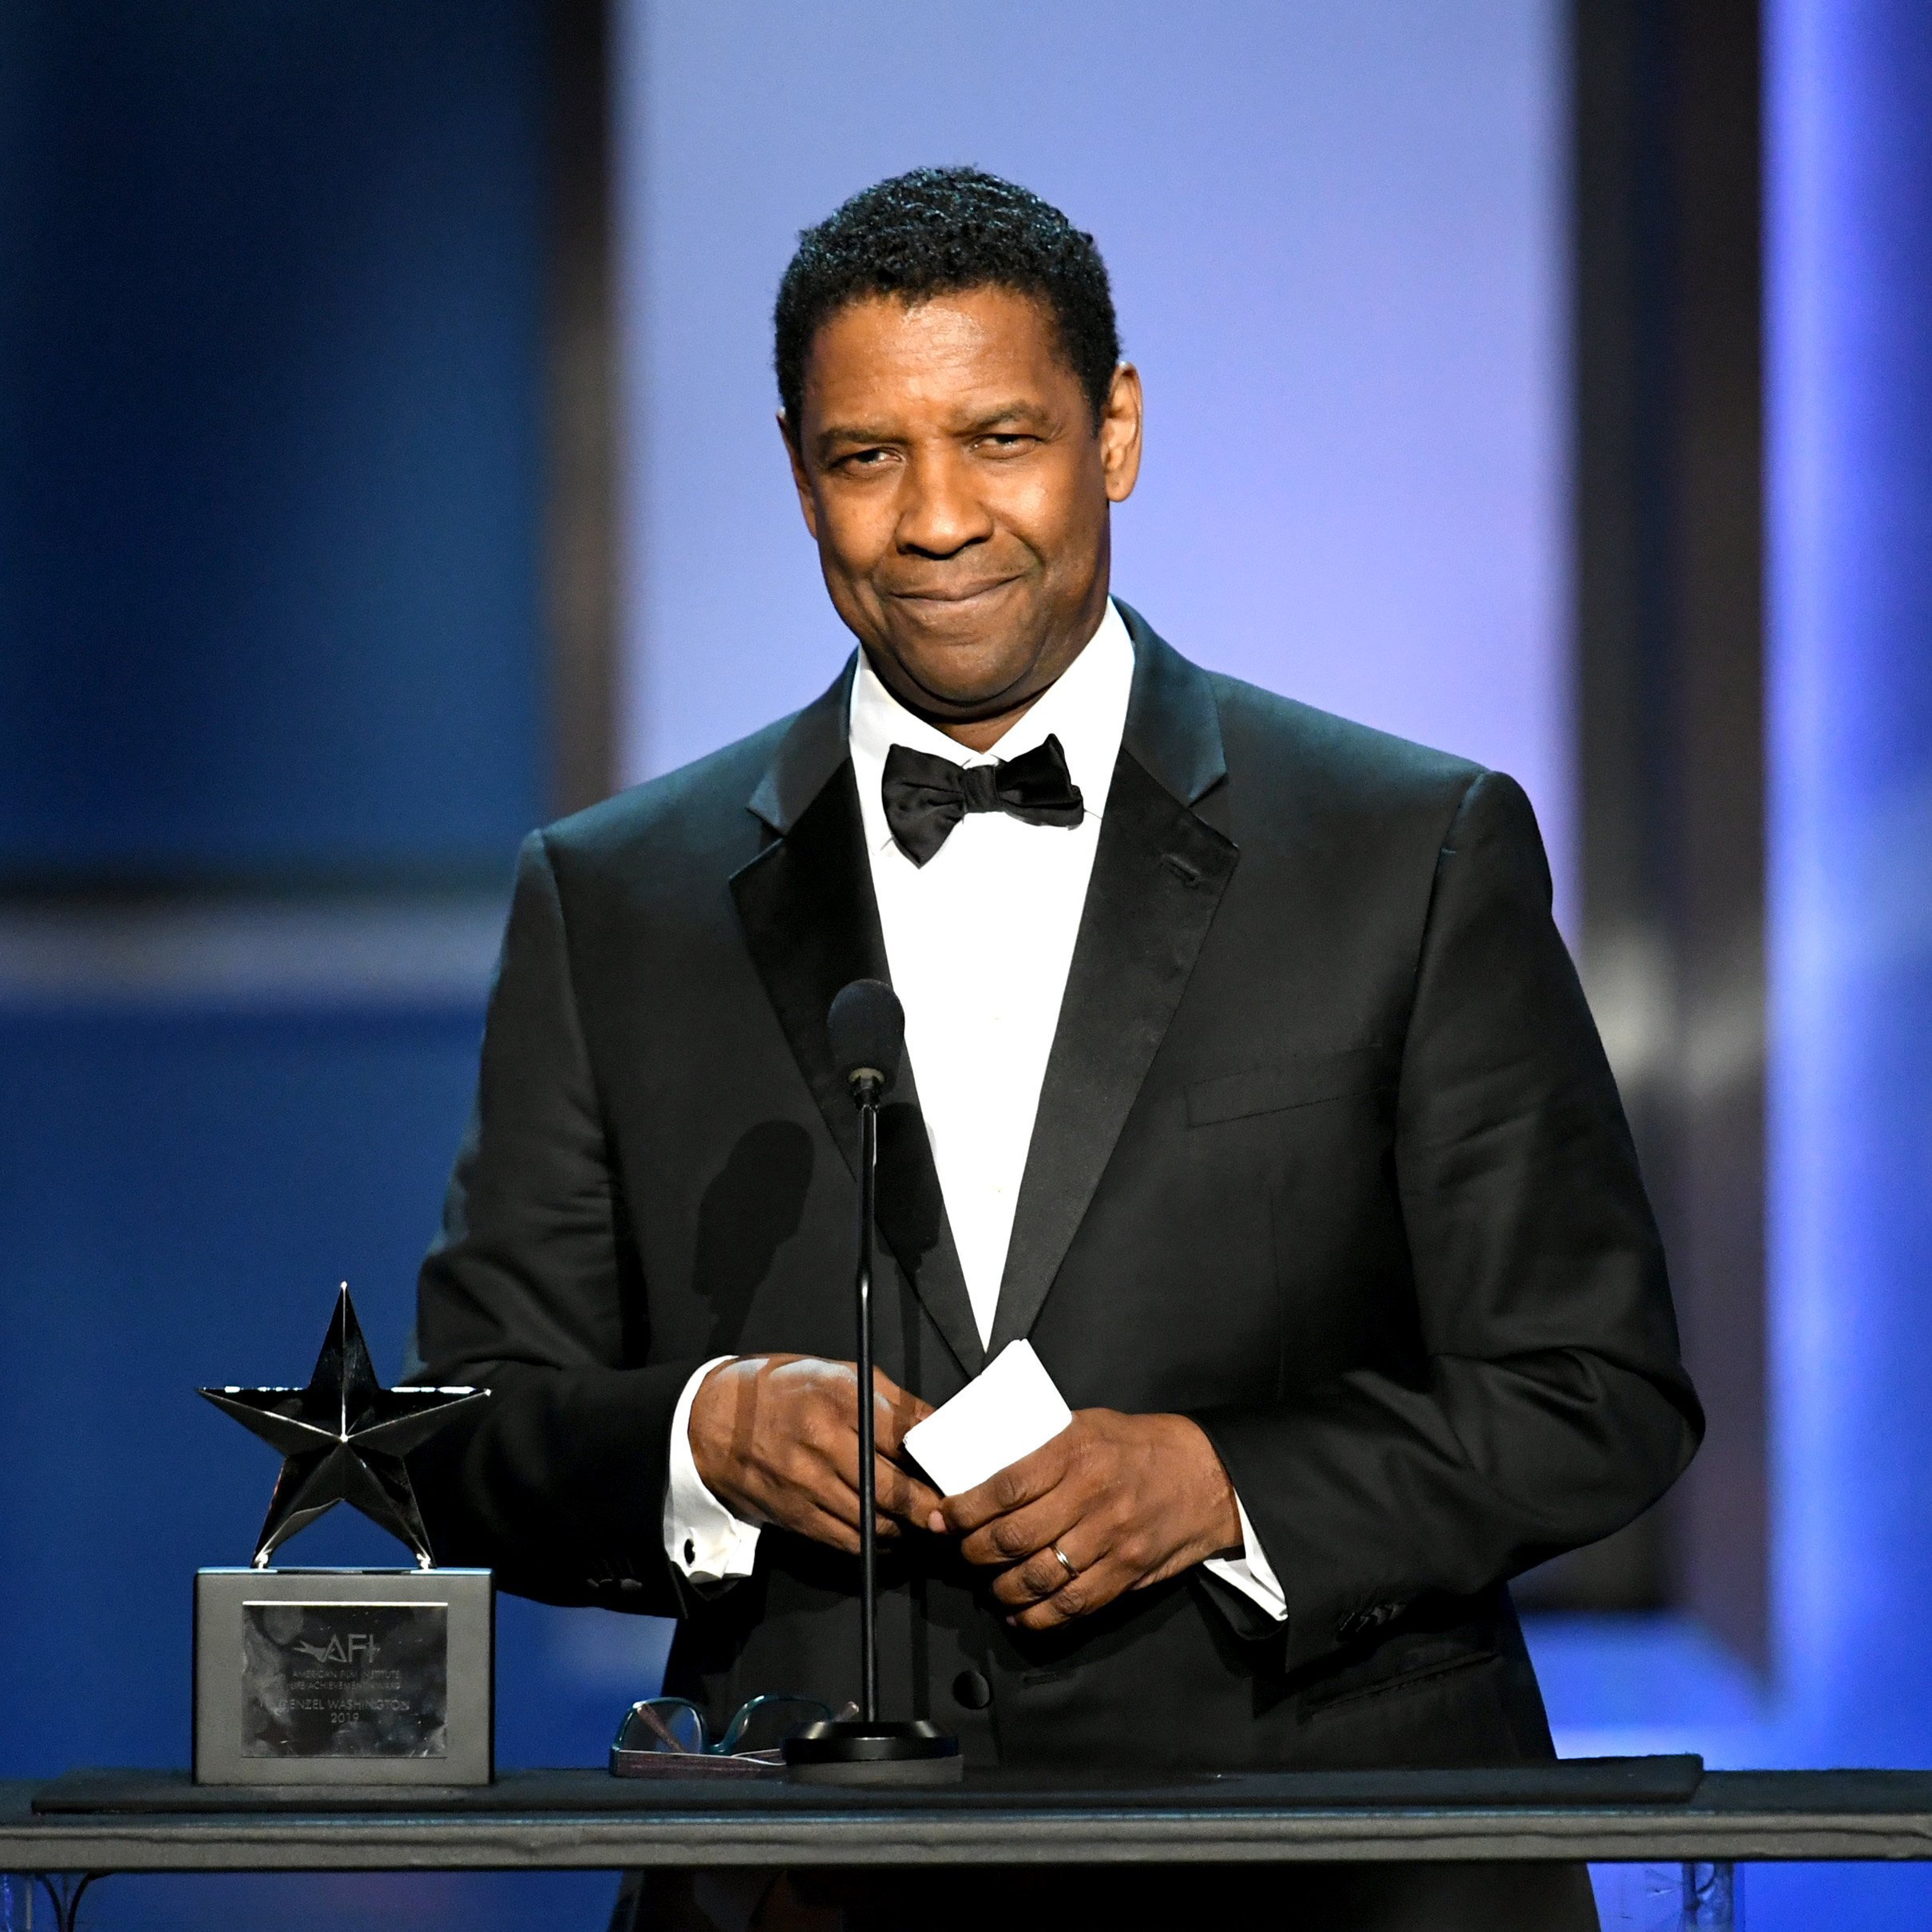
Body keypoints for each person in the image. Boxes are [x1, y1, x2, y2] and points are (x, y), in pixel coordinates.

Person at [408, 166, 1701, 1931]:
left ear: (1115, 431)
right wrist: (705, 1439)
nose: (936, 518)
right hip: (812, 1893)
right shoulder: (616, 897)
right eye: (867, 457)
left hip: (1321, 1881)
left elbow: (1595, 1391)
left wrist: (1225, 1484)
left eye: (998, 436)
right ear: (800, 472)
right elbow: (468, 1430)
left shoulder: (1410, 849)